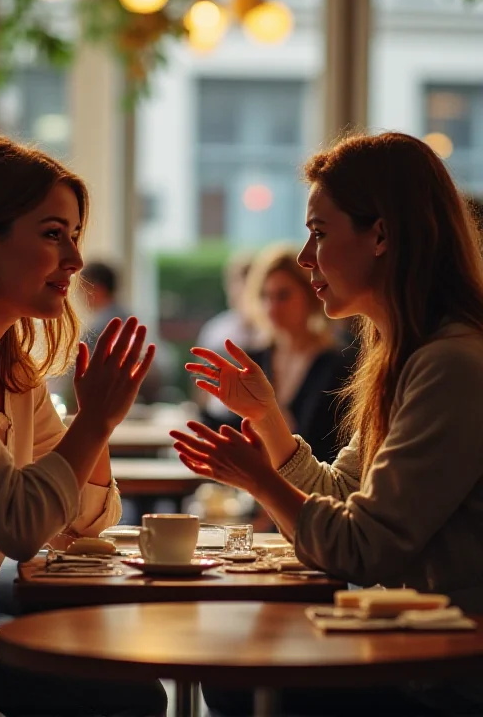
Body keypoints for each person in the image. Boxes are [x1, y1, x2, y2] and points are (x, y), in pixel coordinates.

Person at [171, 131, 483, 716]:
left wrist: (261, 482)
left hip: (452, 669)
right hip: (418, 642)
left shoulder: (452, 363)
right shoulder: (411, 355)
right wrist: (266, 419)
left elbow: (362, 548)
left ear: (382, 235)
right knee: (234, 667)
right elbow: (344, 497)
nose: (307, 257)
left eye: (318, 233)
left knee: (236, 678)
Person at [0, 136, 166, 716]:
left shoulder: (10, 366)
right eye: (51, 234)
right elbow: (20, 525)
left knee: (135, 696)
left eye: (73, 236)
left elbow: (86, 523)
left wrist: (100, 421)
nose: (75, 259)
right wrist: (94, 418)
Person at [238, 243, 355, 462]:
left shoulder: (338, 363)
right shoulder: (253, 359)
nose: (272, 307)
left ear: (310, 295)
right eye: (265, 296)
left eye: (283, 296)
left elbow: (331, 445)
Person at [196, 251, 264, 432]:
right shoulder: (217, 329)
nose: (237, 290)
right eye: (234, 283)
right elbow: (201, 382)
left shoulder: (269, 333)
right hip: (217, 418)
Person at [80, 260, 131, 352]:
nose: (81, 295)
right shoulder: (126, 315)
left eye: (84, 288)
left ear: (98, 289)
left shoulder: (100, 327)